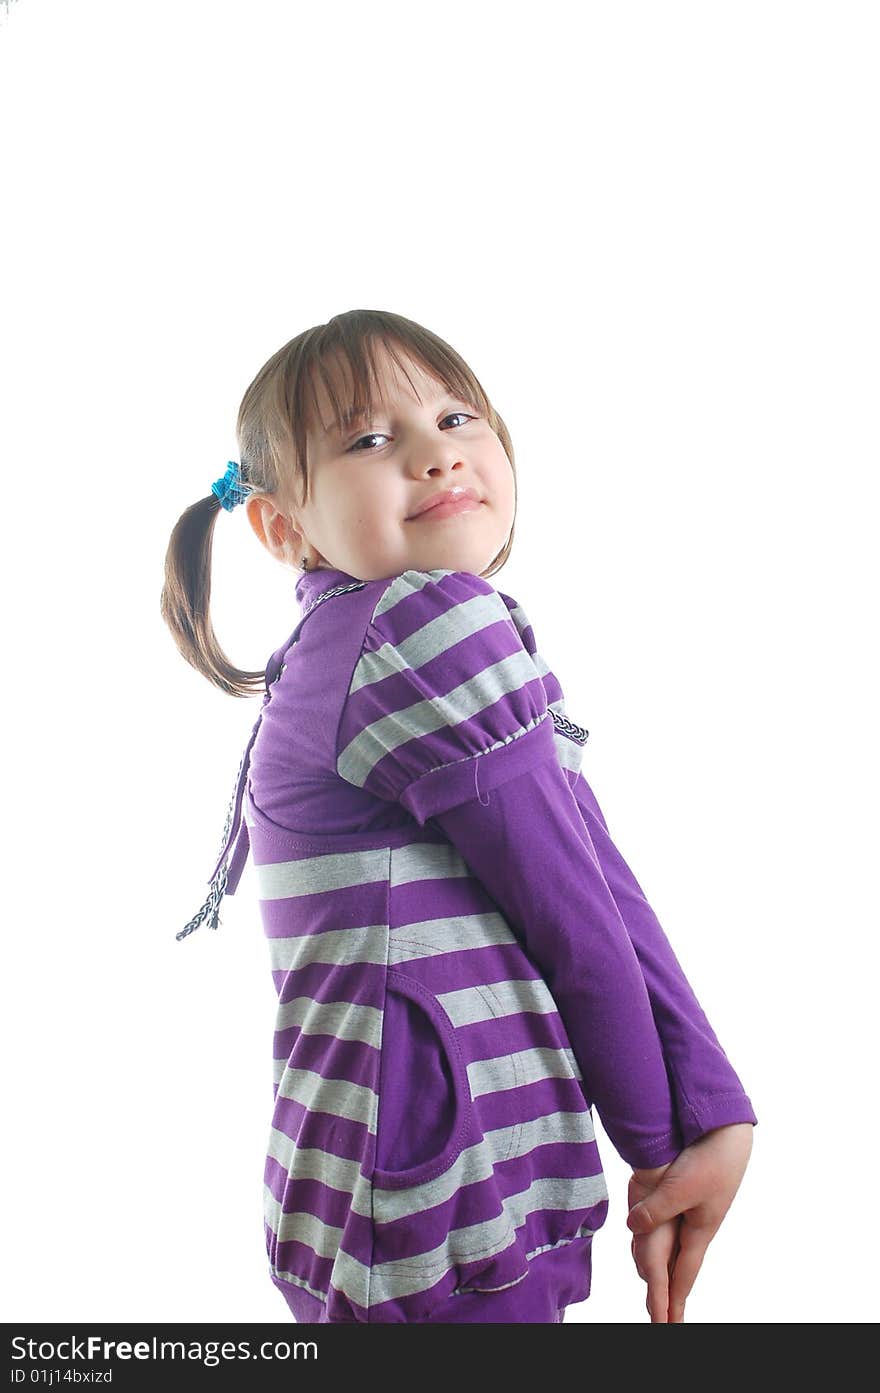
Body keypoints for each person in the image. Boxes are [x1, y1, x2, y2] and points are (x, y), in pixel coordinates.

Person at [161, 309, 757, 1324]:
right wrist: (660, 1143)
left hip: (409, 1181)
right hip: (434, 1203)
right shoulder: (413, 626)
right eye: (369, 439)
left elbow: (586, 863)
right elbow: (575, 916)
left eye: (454, 416)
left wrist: (708, 1110)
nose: (436, 455)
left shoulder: (364, 636)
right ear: (283, 525)